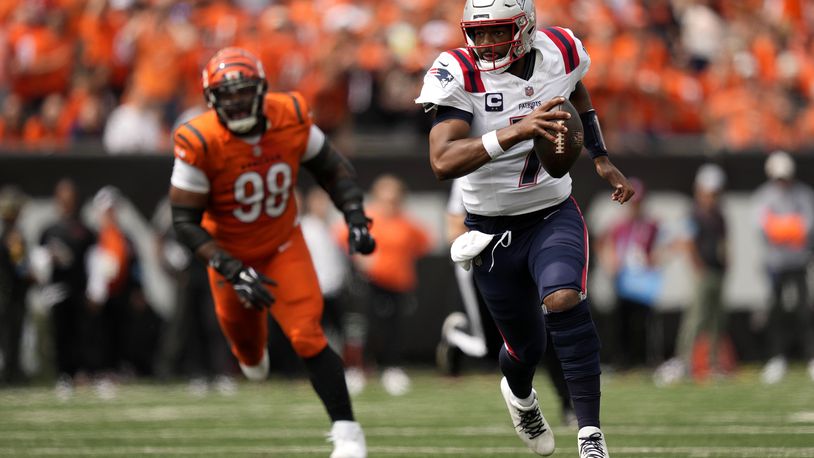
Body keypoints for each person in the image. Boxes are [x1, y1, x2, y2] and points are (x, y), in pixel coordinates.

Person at [415, 1, 635, 456]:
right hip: (490, 228)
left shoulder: (560, 48)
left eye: (498, 32)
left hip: (552, 211)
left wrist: (599, 156)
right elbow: (442, 160)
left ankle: (590, 434)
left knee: (563, 298)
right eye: (479, 33)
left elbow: (578, 95)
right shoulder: (458, 70)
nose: (486, 43)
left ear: (524, 28)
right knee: (525, 347)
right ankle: (520, 395)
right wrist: (516, 132)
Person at [168, 47, 374, 458]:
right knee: (248, 354)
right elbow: (184, 221)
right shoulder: (199, 140)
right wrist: (230, 267)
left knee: (307, 334)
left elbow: (332, 167)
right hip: (229, 255)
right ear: (211, 101)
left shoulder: (291, 114)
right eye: (226, 96)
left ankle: (348, 433)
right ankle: (251, 353)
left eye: (244, 93)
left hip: (283, 244)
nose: (237, 102)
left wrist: (354, 214)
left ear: (261, 91)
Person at [439, 178, 577, 428]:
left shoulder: (533, 150)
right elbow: (453, 226)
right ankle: (458, 337)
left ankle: (569, 404)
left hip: (531, 254)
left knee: (550, 327)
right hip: (491, 262)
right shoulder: (470, 163)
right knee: (494, 349)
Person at [336, 174, 433, 397]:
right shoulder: (367, 218)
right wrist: (360, 258)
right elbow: (343, 237)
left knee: (395, 329)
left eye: (394, 198)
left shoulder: (408, 224)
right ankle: (357, 370)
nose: (390, 203)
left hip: (400, 284)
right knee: (365, 327)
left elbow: (424, 244)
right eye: (386, 198)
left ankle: (392, 369)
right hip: (371, 283)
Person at [654, 164, 729, 385]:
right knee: (695, 319)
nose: (712, 197)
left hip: (717, 272)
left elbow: (724, 244)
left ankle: (713, 363)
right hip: (704, 273)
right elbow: (687, 244)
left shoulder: (719, 216)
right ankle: (684, 362)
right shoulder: (694, 215)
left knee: (716, 321)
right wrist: (698, 268)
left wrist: (726, 263)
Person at [753, 151, 814, 384]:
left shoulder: (803, 194)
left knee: (803, 310)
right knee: (775, 312)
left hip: (798, 262)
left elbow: (807, 227)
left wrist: (780, 228)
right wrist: (789, 227)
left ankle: (810, 357)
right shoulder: (763, 197)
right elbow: (763, 228)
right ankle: (777, 358)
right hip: (775, 264)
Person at [600, 178, 661, 369]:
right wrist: (610, 261)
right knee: (621, 322)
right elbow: (605, 244)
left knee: (642, 323)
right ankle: (621, 361)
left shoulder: (651, 226)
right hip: (624, 281)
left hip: (642, 283)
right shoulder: (619, 226)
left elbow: (661, 249)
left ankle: (641, 361)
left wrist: (652, 261)